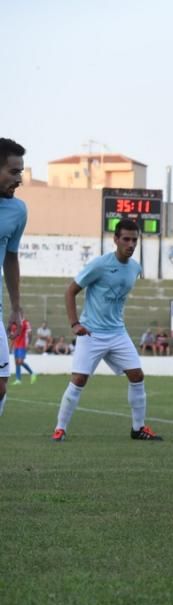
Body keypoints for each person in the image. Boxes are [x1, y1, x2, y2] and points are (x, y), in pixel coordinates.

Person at [51, 219, 163, 441]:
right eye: (126, 239)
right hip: (91, 332)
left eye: (134, 240)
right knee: (79, 379)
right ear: (115, 240)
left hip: (117, 333)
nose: (131, 244)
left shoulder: (135, 267)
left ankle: (138, 428)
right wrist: (75, 324)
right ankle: (60, 428)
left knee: (137, 375)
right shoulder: (99, 265)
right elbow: (70, 291)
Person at [0, 137, 27, 419]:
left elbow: (11, 257)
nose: (19, 179)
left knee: (0, 387)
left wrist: (16, 307)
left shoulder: (18, 211)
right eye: (14, 172)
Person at [9, 316, 36, 385]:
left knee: (20, 361)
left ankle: (32, 373)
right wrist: (11, 347)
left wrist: (29, 344)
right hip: (16, 345)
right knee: (17, 362)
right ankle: (18, 379)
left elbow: (30, 333)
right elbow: (13, 336)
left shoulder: (25, 322)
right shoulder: (13, 325)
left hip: (23, 345)